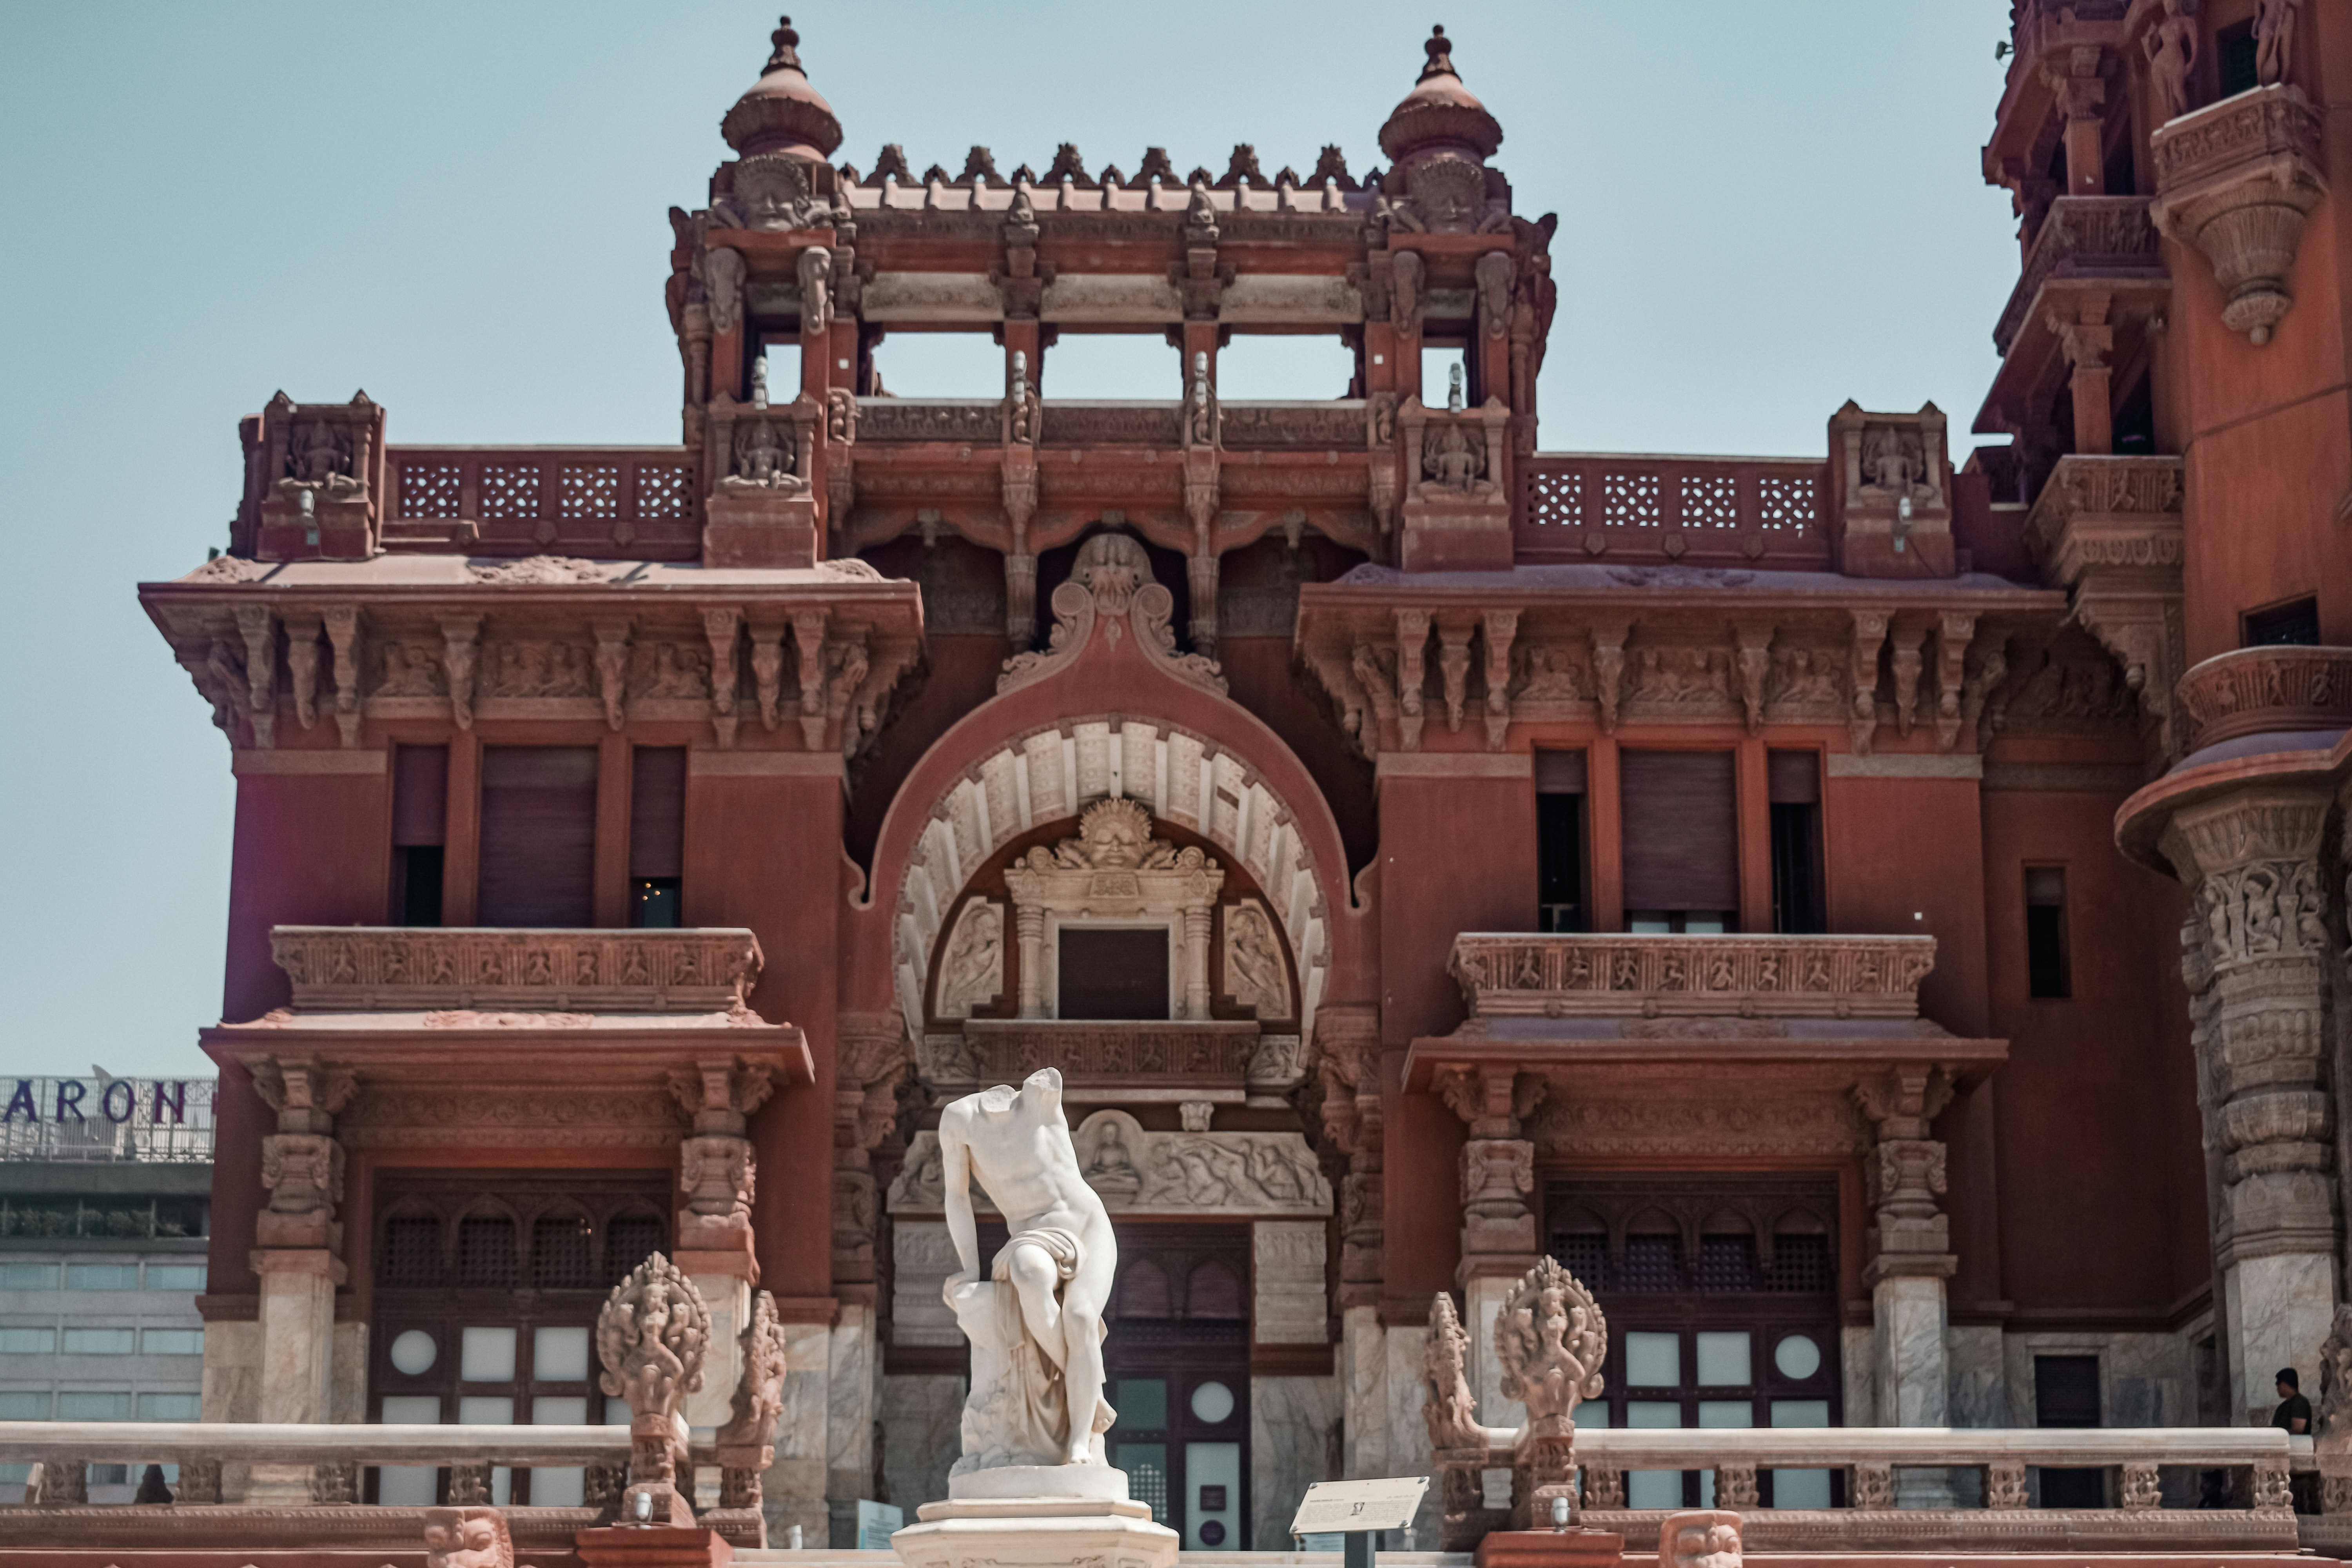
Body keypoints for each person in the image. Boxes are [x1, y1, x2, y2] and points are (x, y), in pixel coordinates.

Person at [2276, 1368, 2318, 1514]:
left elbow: (2298, 1429)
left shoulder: (2300, 1403)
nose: (2277, 1388)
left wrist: (2276, 1434)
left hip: (2295, 1455)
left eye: (2278, 1383)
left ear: (2286, 1384)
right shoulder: (2284, 1406)